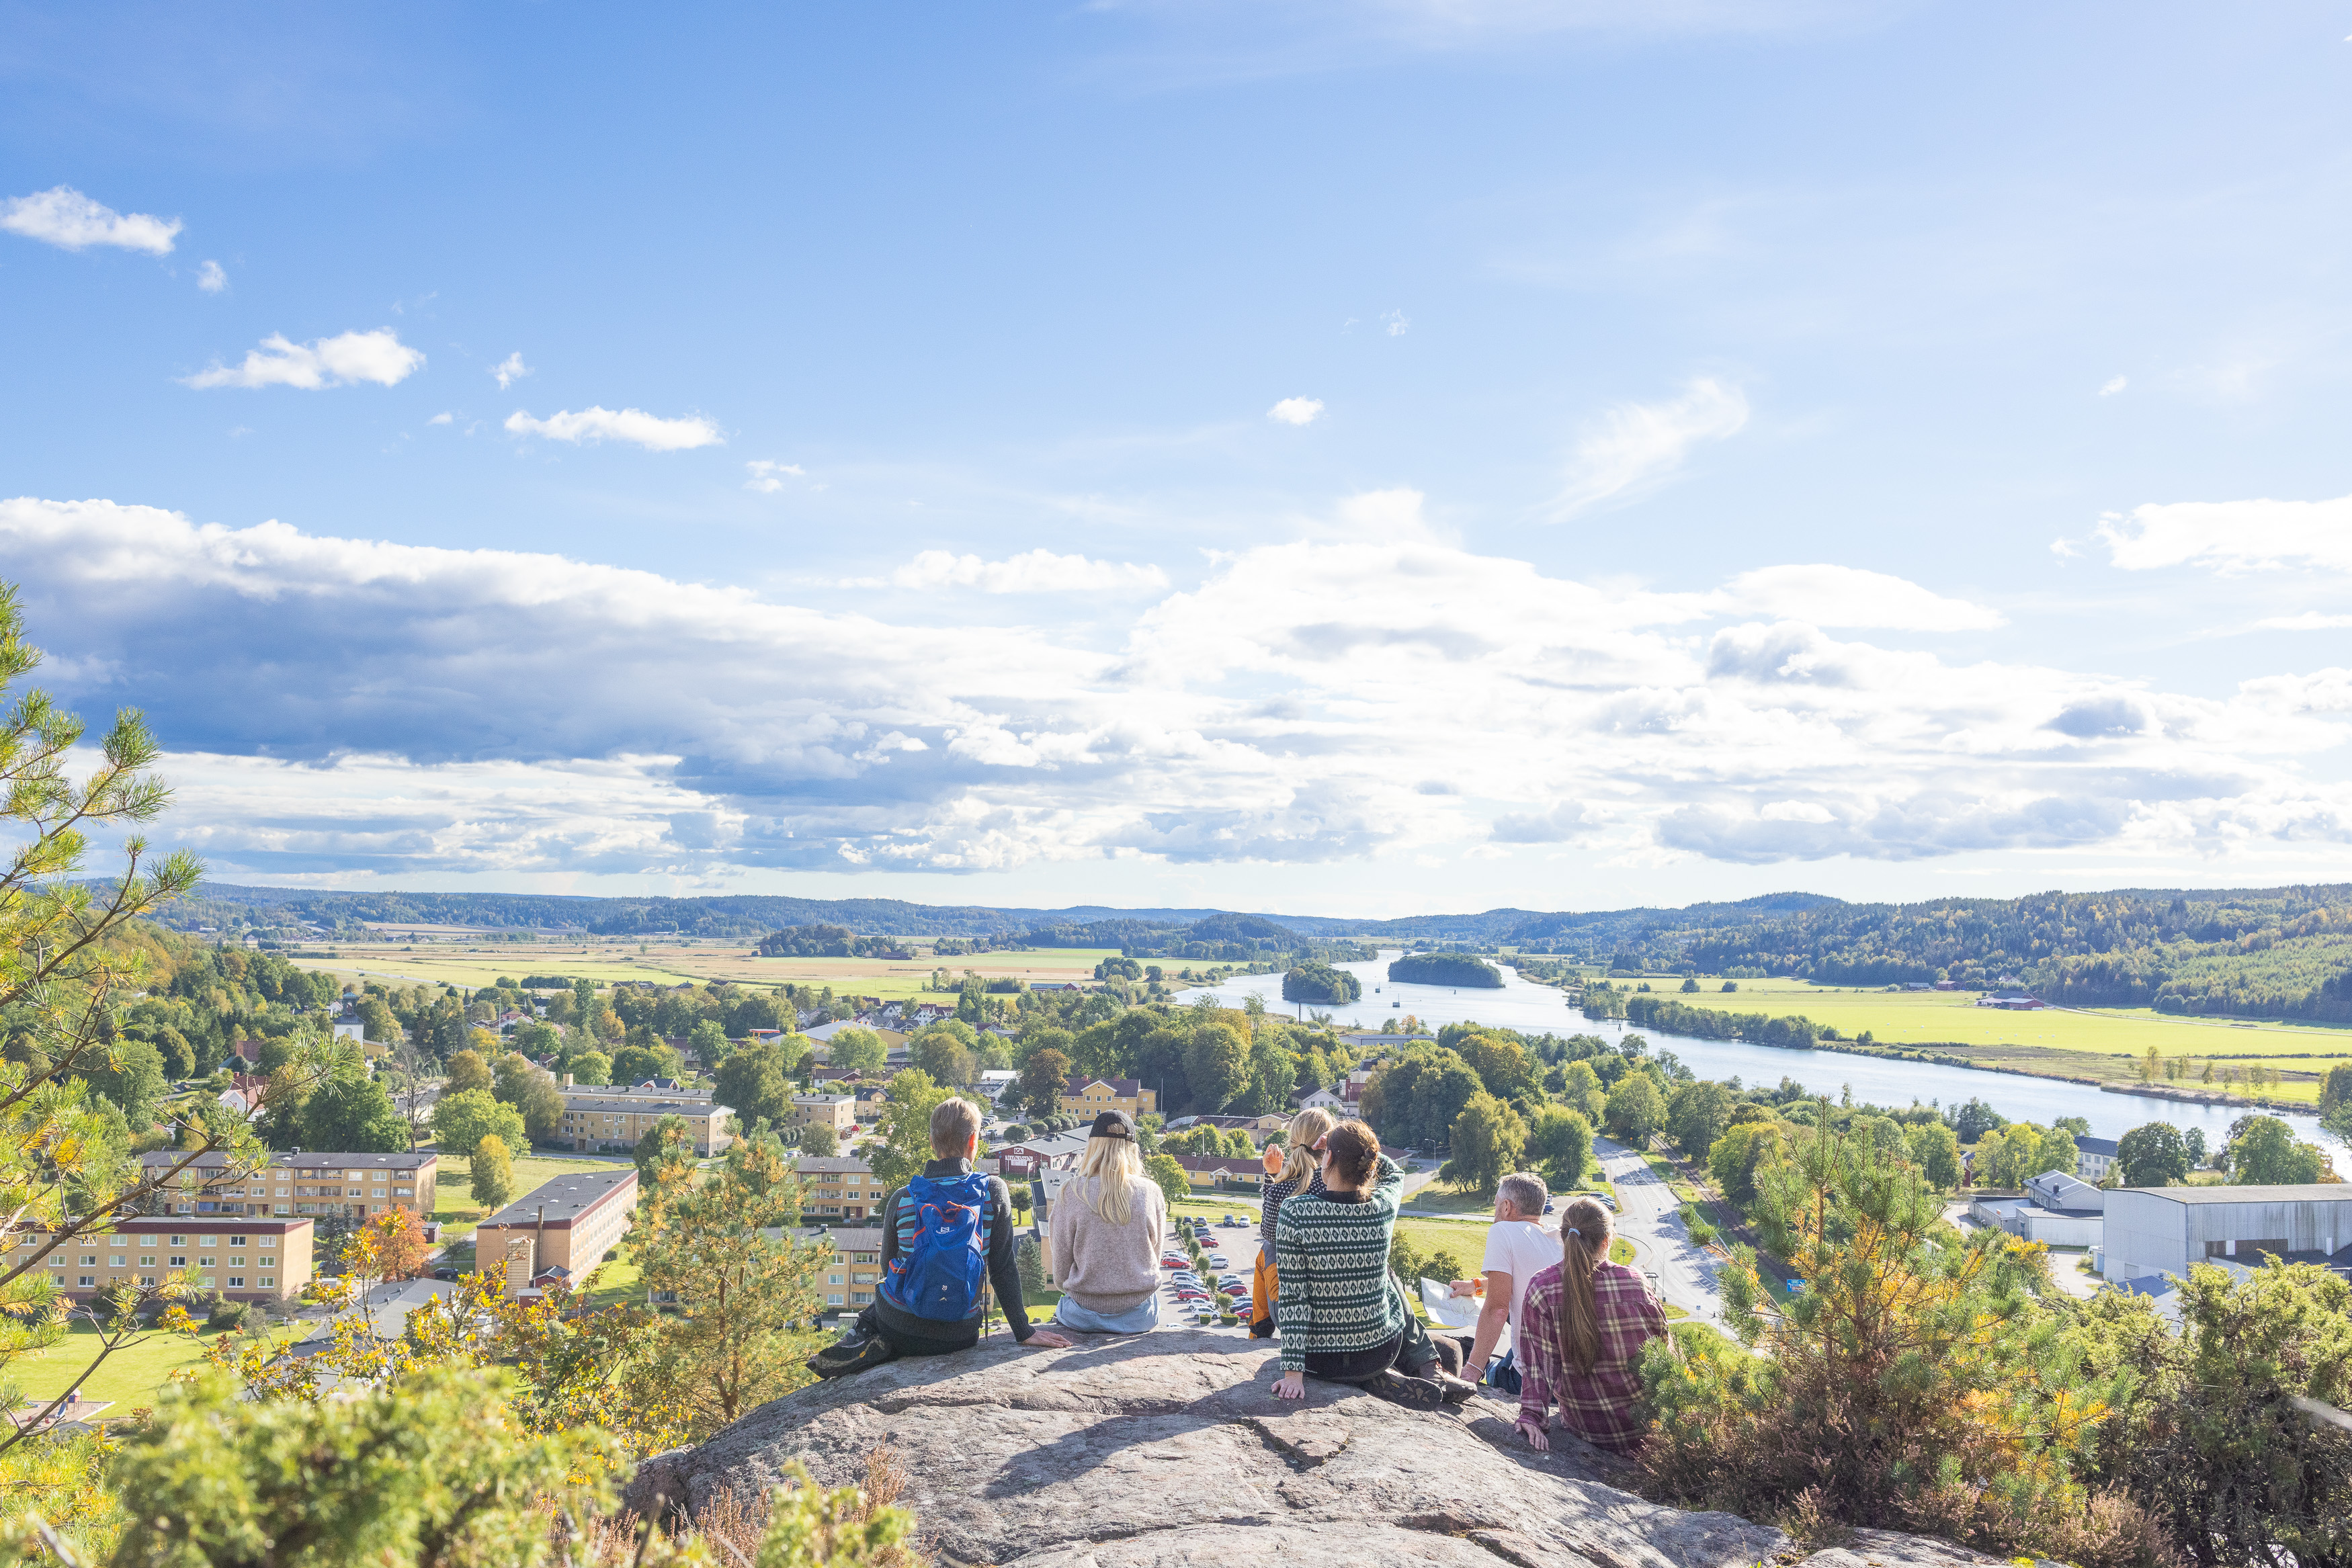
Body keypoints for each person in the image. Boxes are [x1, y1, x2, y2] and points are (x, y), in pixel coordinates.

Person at [808, 1096, 1072, 1377]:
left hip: (900, 1326)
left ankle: (865, 1336)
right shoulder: (992, 1192)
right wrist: (1024, 1331)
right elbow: (1003, 1268)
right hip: (959, 1334)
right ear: (973, 1141)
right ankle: (875, 1338)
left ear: (932, 1143)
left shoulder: (904, 1197)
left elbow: (887, 1268)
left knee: (888, 1292)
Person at [1269, 1119, 1476, 1410]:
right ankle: (1416, 1369)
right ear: (1368, 1163)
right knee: (1388, 1277)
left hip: (1319, 1362)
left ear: (1327, 1157)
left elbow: (1295, 1298)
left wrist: (1293, 1375)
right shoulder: (1382, 1208)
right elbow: (1394, 1173)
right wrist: (1353, 1145)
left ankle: (1371, 1378)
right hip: (1379, 1353)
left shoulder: (1295, 1213)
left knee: (1284, 1273)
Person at [1513, 1194, 1669, 1453]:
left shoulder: (1543, 1287)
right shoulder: (1634, 1282)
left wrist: (1531, 1416)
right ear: (1606, 1241)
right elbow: (1665, 1355)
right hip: (1646, 1432)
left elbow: (1539, 1368)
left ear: (1564, 1238)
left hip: (1587, 1429)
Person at [1048, 1110, 1169, 1334]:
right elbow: (1154, 1260)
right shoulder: (1151, 1193)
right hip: (1139, 1317)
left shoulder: (1070, 1193)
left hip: (1081, 1316)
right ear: (1133, 1149)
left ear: (1092, 1146)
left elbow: (1061, 1276)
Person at [1443, 1170, 1556, 1388]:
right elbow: (1525, 1278)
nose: (1495, 1213)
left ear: (1506, 1207)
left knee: (1490, 1367)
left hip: (1530, 1381)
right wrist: (1476, 1286)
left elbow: (1498, 1309)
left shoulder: (1502, 1230)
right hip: (1571, 1379)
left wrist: (1472, 1371)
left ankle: (1482, 1364)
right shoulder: (1558, 1236)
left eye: (1496, 1205)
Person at [1250, 1106, 1335, 1338]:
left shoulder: (1284, 1188)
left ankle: (1258, 1333)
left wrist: (1272, 1178)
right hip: (1334, 1306)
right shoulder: (1337, 1185)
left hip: (1292, 1314)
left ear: (1293, 1141)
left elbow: (1269, 1232)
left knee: (1267, 1248)